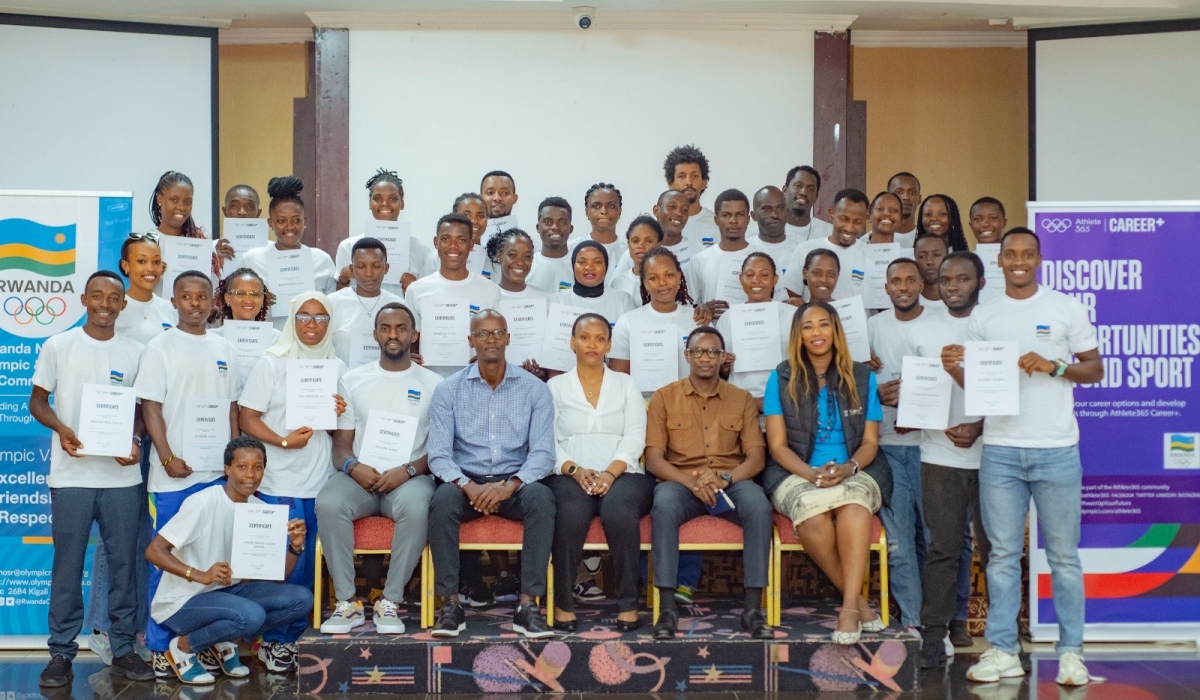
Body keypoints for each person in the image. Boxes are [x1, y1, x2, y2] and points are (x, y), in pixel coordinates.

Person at [961, 229, 1104, 687]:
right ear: (999, 261)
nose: (1019, 261)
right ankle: (1003, 651)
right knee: (1001, 555)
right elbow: (979, 388)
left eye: (1027, 254)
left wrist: (1055, 365)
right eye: (1011, 255)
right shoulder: (985, 315)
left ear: (1039, 259)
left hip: (1057, 450)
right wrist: (955, 369)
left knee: (1063, 556)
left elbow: (1095, 369)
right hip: (1000, 451)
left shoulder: (1065, 307)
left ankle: (1071, 655)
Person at [33, 271, 153, 688]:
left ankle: (122, 648)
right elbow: (37, 400)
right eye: (97, 295)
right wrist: (63, 429)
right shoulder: (59, 345)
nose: (105, 303)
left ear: (123, 304)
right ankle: (60, 653)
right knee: (67, 567)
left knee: (125, 567)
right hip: (71, 476)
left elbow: (142, 408)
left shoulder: (138, 351)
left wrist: (135, 437)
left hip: (122, 478)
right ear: (84, 298)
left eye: (114, 297)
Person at [760, 302, 893, 644]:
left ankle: (848, 608)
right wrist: (810, 473)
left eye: (823, 325)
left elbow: (870, 442)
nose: (816, 333)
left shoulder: (862, 377)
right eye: (808, 327)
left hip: (854, 468)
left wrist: (848, 468)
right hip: (795, 471)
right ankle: (861, 604)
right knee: (814, 517)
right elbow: (777, 447)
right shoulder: (782, 375)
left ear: (835, 330)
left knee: (854, 506)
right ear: (798, 335)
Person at [135, 271, 242, 678]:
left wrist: (233, 463)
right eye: (186, 297)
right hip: (174, 477)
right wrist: (166, 457)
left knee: (217, 563)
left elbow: (231, 408)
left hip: (218, 475)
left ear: (212, 301)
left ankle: (207, 644)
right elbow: (151, 408)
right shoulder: (159, 348)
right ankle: (161, 647)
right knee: (168, 563)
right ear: (174, 300)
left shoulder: (225, 348)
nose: (195, 304)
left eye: (201, 297)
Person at [426, 310, 556, 639]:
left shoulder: (535, 390)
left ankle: (528, 605)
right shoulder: (448, 390)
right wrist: (468, 486)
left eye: (498, 333)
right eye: (482, 334)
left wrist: (510, 486)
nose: (491, 340)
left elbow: (543, 454)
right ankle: (451, 604)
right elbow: (439, 454)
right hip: (465, 480)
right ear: (471, 341)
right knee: (441, 502)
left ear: (508, 338)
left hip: (513, 480)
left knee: (542, 499)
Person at [317, 302, 442, 635]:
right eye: (385, 328)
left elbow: (439, 449)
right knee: (329, 503)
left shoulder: (434, 383)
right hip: (360, 480)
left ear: (414, 335)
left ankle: (390, 600)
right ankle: (347, 603)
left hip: (409, 480)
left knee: (418, 508)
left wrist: (410, 471)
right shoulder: (354, 380)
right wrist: (352, 466)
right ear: (375, 334)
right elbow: (341, 445)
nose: (393, 334)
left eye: (401, 328)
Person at [145, 436, 311, 684]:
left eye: (258, 467)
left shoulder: (258, 509)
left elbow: (279, 577)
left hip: (228, 593)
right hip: (183, 601)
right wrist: (200, 574)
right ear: (227, 469)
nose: (251, 475)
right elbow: (154, 551)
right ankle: (183, 647)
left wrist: (295, 547)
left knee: (301, 600)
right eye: (242, 467)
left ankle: (225, 641)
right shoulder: (203, 502)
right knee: (251, 616)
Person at [237, 291, 347, 662]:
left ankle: (293, 639)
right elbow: (247, 419)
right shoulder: (273, 362)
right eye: (303, 316)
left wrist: (337, 415)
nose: (311, 325)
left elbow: (341, 434)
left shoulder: (336, 366)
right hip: (277, 482)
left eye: (320, 318)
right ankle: (272, 640)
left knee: (309, 568)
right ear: (291, 320)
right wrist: (283, 441)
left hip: (319, 482)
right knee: (278, 565)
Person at [646, 327, 773, 640]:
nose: (705, 358)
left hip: (730, 481)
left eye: (713, 352)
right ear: (687, 355)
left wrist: (724, 478)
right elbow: (654, 460)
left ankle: (753, 609)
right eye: (698, 351)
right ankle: (667, 609)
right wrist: (692, 482)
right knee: (663, 504)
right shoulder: (664, 397)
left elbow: (756, 457)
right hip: (681, 482)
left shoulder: (741, 399)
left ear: (723, 357)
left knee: (758, 505)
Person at [908, 251, 991, 668]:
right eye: (946, 280)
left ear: (979, 281)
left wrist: (980, 425)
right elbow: (920, 392)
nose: (954, 286)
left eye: (962, 279)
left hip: (994, 453)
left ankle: (1003, 639)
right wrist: (931, 422)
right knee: (942, 549)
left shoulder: (995, 325)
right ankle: (933, 634)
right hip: (938, 453)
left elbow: (1011, 389)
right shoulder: (923, 329)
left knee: (996, 549)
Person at [546, 313, 650, 632]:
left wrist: (610, 473)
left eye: (600, 338)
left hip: (624, 473)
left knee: (618, 512)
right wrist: (575, 470)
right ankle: (564, 604)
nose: (592, 344)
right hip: (568, 475)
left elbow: (636, 436)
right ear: (572, 342)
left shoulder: (626, 384)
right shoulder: (554, 387)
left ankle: (628, 604)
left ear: (608, 344)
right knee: (571, 515)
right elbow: (546, 442)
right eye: (585, 337)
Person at [865, 258, 927, 631]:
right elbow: (852, 385)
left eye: (909, 280)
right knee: (900, 541)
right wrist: (875, 391)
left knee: (935, 541)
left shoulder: (937, 325)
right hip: (885, 447)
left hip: (933, 447)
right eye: (895, 281)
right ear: (885, 287)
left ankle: (938, 624)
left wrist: (919, 413)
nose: (902, 287)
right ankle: (914, 623)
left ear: (921, 283)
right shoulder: (872, 326)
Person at [404, 213, 502, 377]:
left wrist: (486, 357)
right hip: (428, 379)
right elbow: (410, 339)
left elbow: (498, 339)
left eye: (461, 240)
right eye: (446, 239)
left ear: (471, 244)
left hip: (475, 380)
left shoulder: (489, 290)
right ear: (436, 242)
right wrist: (409, 358)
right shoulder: (416, 290)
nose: (453, 246)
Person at [610, 247, 707, 399]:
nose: (662, 283)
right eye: (653, 278)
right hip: (644, 410)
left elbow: (713, 373)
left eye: (668, 275)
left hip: (691, 409)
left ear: (679, 277)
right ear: (645, 283)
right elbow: (619, 380)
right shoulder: (628, 322)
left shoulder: (698, 320)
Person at [243, 176, 338, 330]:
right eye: (281, 221)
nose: (289, 227)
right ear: (270, 223)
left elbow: (333, 306)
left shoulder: (322, 259)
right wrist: (257, 299)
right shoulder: (252, 259)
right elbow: (236, 303)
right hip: (269, 341)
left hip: (312, 342)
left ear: (305, 221)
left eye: (296, 220)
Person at [335, 169, 435, 295]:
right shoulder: (348, 247)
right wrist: (343, 279)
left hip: (402, 313)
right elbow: (338, 300)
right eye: (377, 198)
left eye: (393, 199)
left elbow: (427, 299)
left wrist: (416, 286)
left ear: (402, 204)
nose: (385, 204)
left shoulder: (421, 250)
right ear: (370, 204)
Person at [715, 252, 797, 405]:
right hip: (738, 401)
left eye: (764, 275)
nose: (756, 280)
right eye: (749, 274)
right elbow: (721, 373)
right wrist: (724, 366)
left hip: (782, 401)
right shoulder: (727, 318)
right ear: (741, 279)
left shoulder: (791, 315)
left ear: (775, 279)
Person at [329, 237, 405, 369]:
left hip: (385, 382)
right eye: (361, 266)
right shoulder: (331, 303)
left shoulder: (399, 306)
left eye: (376, 266)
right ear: (352, 269)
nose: (369, 273)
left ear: (386, 268)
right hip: (343, 384)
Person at [781, 189, 870, 301]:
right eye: (844, 219)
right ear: (831, 214)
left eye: (857, 222)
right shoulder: (805, 249)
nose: (849, 228)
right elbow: (793, 297)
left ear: (866, 219)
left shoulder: (871, 254)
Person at [688, 188, 762, 315]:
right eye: (726, 215)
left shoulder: (763, 258)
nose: (733, 220)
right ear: (716, 220)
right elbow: (689, 306)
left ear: (748, 219)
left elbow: (777, 301)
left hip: (753, 331)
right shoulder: (699, 260)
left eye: (740, 214)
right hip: (713, 332)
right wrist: (703, 309)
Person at [150, 171, 225, 280]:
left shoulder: (201, 244)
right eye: (174, 200)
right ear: (159, 199)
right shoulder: (145, 243)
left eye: (187, 202)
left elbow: (214, 288)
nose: (181, 207)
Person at [611, 190, 698, 279]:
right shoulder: (635, 253)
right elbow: (618, 286)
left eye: (685, 210)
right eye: (672, 207)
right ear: (656, 210)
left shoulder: (697, 252)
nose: (679, 213)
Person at [552, 241, 636, 323]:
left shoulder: (623, 300)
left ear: (606, 266)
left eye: (597, 262)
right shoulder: (558, 301)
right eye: (582, 262)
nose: (589, 267)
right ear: (573, 265)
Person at [116, 232, 175, 345]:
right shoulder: (115, 308)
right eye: (142, 261)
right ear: (125, 266)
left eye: (156, 262)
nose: (150, 268)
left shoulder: (168, 308)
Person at [663, 144, 718, 247]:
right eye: (681, 176)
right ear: (671, 183)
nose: (689, 182)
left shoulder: (717, 224)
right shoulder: (660, 225)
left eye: (694, 176)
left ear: (704, 183)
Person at [748, 186, 802, 278]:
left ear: (787, 212)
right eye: (767, 209)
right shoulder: (744, 250)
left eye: (780, 208)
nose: (775, 215)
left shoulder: (801, 249)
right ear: (754, 215)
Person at [525, 197, 576, 293]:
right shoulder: (527, 265)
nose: (555, 227)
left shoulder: (579, 266)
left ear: (571, 228)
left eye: (562, 222)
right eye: (548, 222)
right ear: (538, 227)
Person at [608, 216, 663, 301]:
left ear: (658, 246)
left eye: (649, 241)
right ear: (628, 245)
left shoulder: (666, 280)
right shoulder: (618, 282)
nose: (641, 245)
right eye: (635, 241)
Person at [568, 183, 626, 263]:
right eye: (596, 206)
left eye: (611, 206)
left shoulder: (630, 250)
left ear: (619, 212)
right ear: (587, 212)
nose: (604, 211)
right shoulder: (571, 249)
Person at [215, 184, 261, 277]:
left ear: (258, 213)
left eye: (249, 206)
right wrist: (217, 264)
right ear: (224, 211)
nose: (242, 212)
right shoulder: (213, 249)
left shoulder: (270, 249)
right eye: (234, 205)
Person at [488, 228, 546, 301]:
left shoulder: (543, 299)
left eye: (527, 256)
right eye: (512, 255)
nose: (520, 262)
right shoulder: (487, 297)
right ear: (499, 257)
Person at [782, 165, 835, 242]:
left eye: (811, 189)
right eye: (798, 186)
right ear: (784, 190)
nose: (804, 192)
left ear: (816, 197)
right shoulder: (762, 231)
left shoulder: (830, 234)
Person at [452, 192, 494, 278]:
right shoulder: (437, 258)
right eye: (466, 215)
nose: (474, 221)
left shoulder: (493, 261)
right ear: (454, 216)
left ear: (488, 219)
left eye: (481, 216)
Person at [914, 233, 949, 309]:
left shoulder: (961, 300)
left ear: (947, 258)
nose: (929, 261)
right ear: (915, 260)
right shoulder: (910, 301)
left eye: (936, 255)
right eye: (922, 256)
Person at [887, 172, 922, 237]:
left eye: (912, 192)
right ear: (888, 198)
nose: (906, 197)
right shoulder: (868, 241)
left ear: (919, 199)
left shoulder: (930, 240)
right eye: (899, 192)